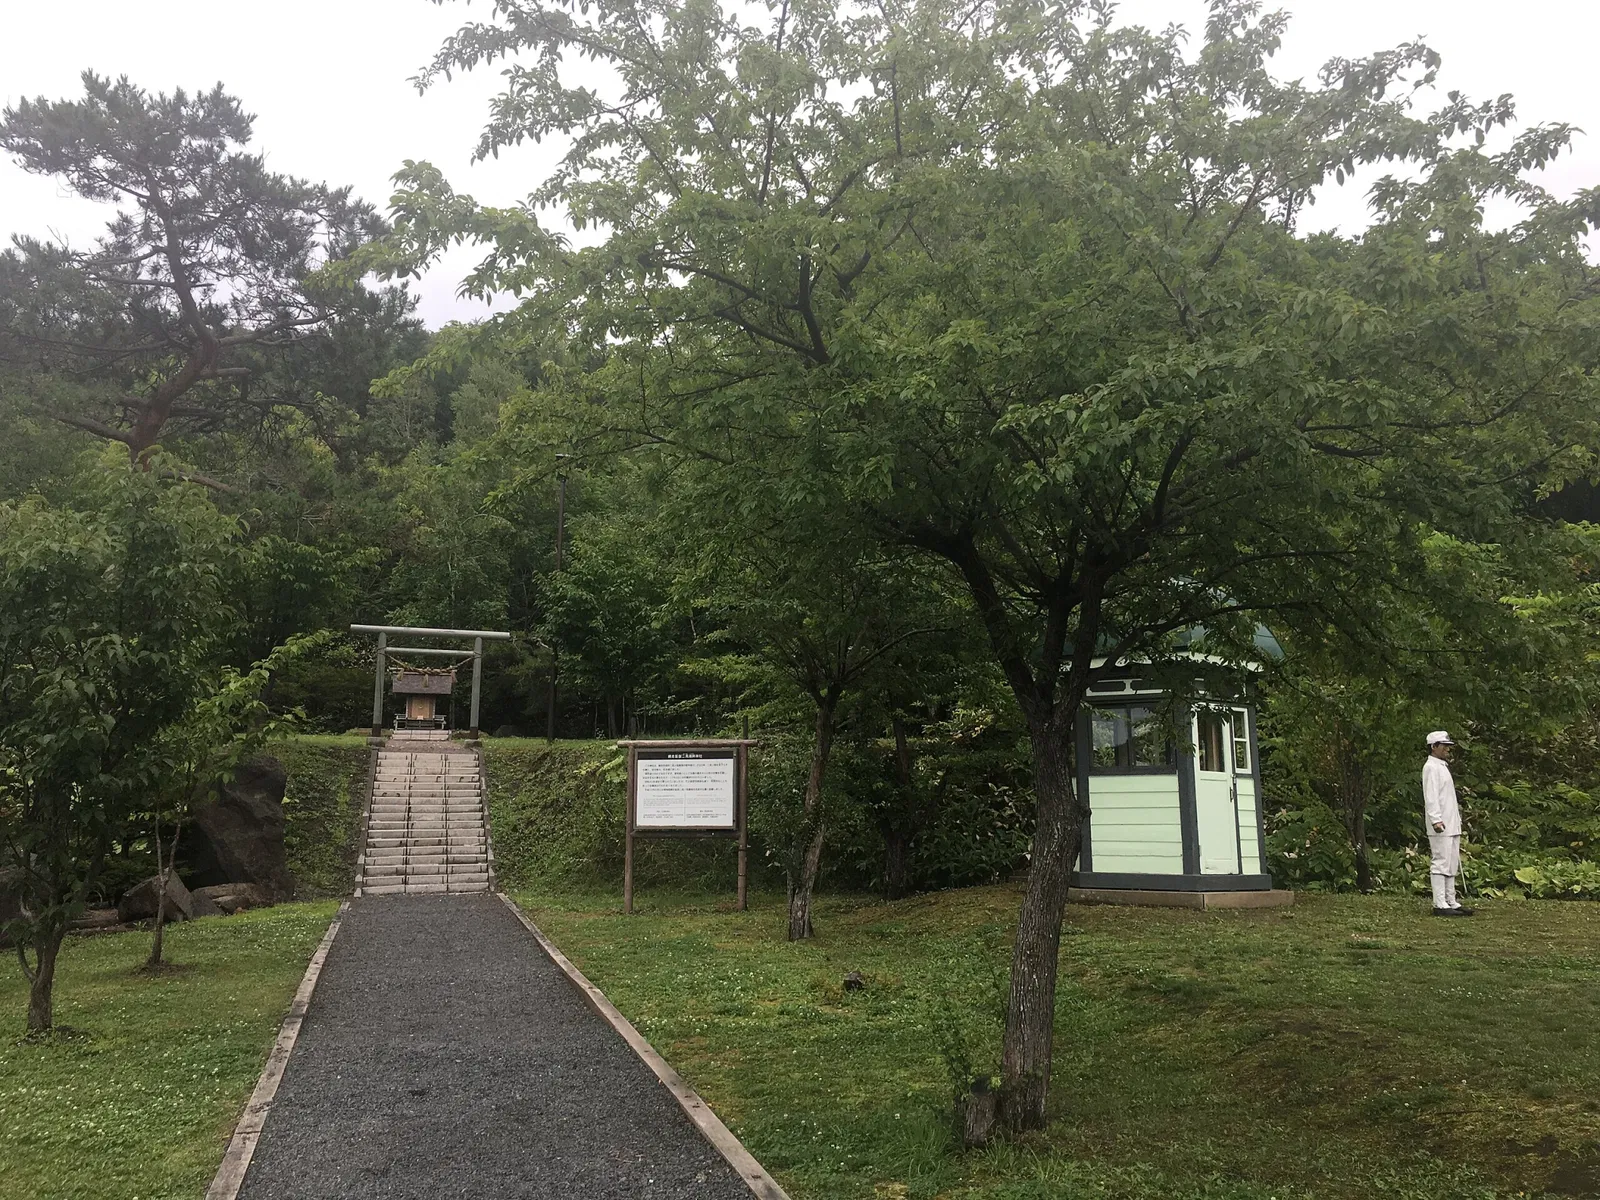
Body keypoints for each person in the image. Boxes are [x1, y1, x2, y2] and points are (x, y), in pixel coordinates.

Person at [1422, 731, 1473, 917]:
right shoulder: (1430, 767)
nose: (1447, 749)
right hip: (1441, 824)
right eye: (1443, 745)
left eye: (1447, 745)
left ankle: (1450, 900)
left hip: (1451, 823)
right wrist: (1436, 819)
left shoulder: (1442, 766)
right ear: (1433, 747)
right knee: (1441, 862)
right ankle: (1439, 902)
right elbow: (1431, 796)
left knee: (1451, 863)